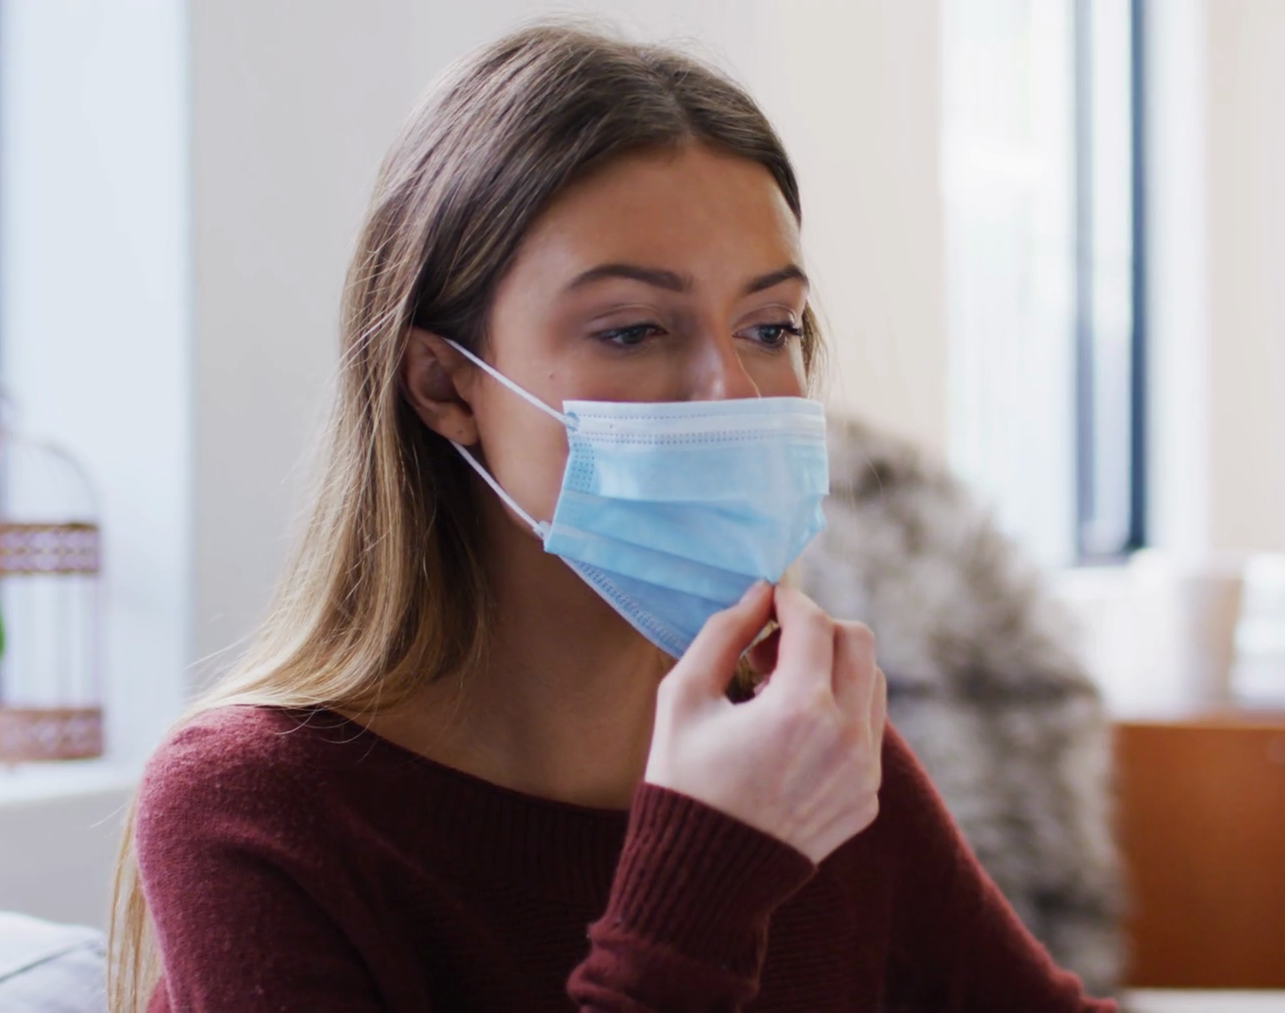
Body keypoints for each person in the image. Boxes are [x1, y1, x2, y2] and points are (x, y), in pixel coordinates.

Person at [110, 23, 1113, 1013]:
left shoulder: (806, 751)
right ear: (445, 382)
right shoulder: (259, 810)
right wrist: (708, 877)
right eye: (633, 328)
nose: (732, 391)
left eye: (770, 327)